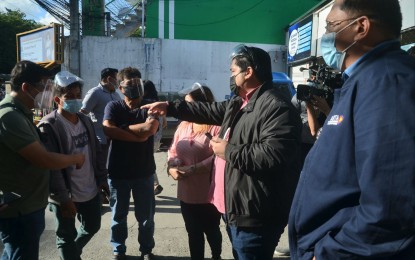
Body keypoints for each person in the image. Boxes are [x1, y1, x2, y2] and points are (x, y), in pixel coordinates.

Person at [142, 45, 302, 259]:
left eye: (233, 71)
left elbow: (273, 155)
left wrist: (228, 151)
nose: (231, 76)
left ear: (249, 72)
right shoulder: (240, 102)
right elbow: (206, 110)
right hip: (234, 208)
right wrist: (170, 107)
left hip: (255, 214)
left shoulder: (276, 107)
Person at [288, 0, 415, 259]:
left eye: (331, 26)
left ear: (361, 27)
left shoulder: (386, 82)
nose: (326, 36)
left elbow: (392, 206)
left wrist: (329, 253)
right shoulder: (364, 80)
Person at [0, 60, 85, 260]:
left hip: (28, 205)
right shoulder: (10, 116)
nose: (46, 93)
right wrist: (75, 158)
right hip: (21, 210)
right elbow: (44, 159)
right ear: (26, 88)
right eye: (43, 87)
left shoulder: (21, 114)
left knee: (14, 253)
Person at [37, 71, 109, 260]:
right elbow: (52, 166)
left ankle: (71, 253)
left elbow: (96, 152)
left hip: (90, 189)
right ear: (57, 99)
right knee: (65, 236)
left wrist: (101, 179)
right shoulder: (49, 125)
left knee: (93, 225)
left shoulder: (85, 120)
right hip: (65, 194)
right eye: (69, 96)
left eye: (78, 96)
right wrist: (63, 198)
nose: (75, 100)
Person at [103, 67, 159, 260]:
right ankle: (119, 250)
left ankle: (146, 250)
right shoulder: (113, 107)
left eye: (138, 83)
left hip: (144, 173)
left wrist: (123, 129)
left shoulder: (150, 106)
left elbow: (150, 128)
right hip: (118, 173)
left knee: (146, 219)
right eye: (130, 84)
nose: (135, 87)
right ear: (120, 87)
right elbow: (108, 130)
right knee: (118, 217)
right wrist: (137, 135)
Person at [167, 83, 222, 260]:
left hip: (209, 191)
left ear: (201, 105)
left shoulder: (216, 127)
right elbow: (173, 149)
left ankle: (216, 256)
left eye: (189, 104)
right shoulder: (184, 125)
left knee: (212, 230)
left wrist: (194, 169)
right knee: (193, 232)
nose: (185, 109)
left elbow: (219, 156)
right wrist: (172, 167)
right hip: (187, 192)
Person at [143, 80, 166, 195]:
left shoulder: (147, 105)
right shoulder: (159, 104)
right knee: (148, 160)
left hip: (149, 139)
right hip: (157, 140)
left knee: (146, 161)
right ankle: (154, 184)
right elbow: (164, 123)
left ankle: (154, 184)